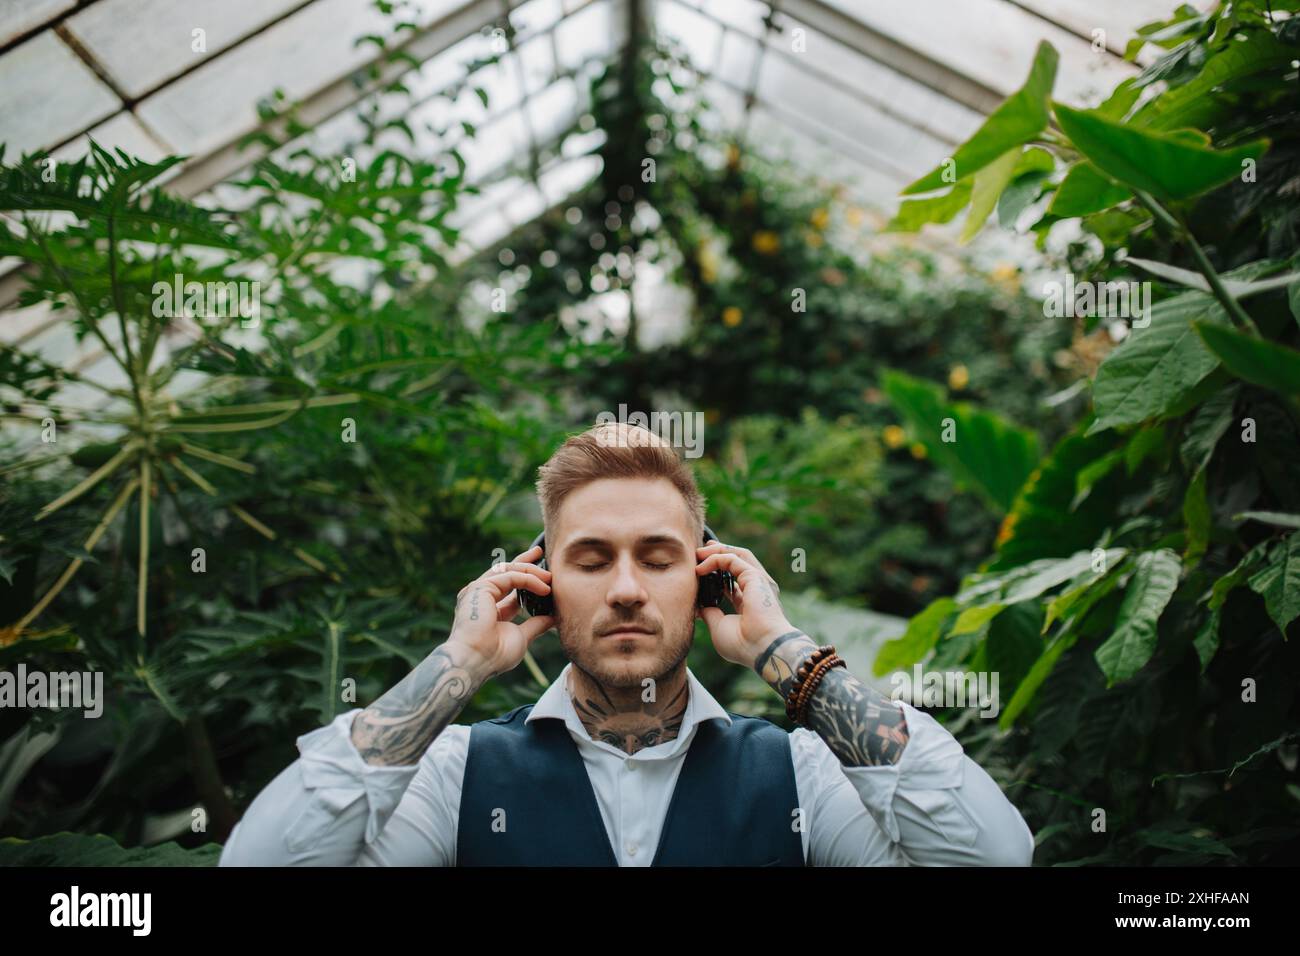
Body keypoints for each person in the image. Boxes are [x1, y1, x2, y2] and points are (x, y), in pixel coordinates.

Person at [219, 422, 1034, 866]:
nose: (626, 589)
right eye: (590, 558)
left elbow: (993, 857)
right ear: (540, 581)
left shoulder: (801, 777)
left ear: (707, 581)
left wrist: (782, 648)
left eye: (657, 556)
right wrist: (458, 664)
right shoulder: (458, 776)